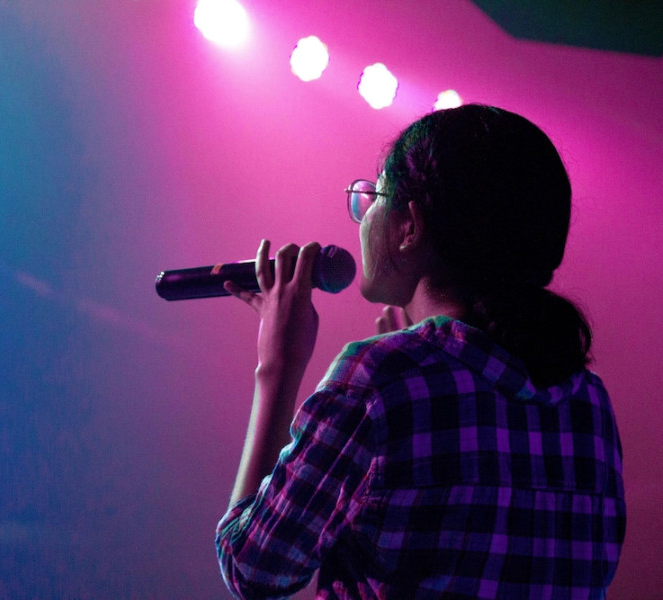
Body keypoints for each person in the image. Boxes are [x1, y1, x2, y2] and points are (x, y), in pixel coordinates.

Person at [215, 104, 625, 599]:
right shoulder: (588, 401)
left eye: (372, 198)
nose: (362, 218)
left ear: (409, 227)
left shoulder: (377, 379)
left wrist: (278, 367)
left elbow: (253, 567)